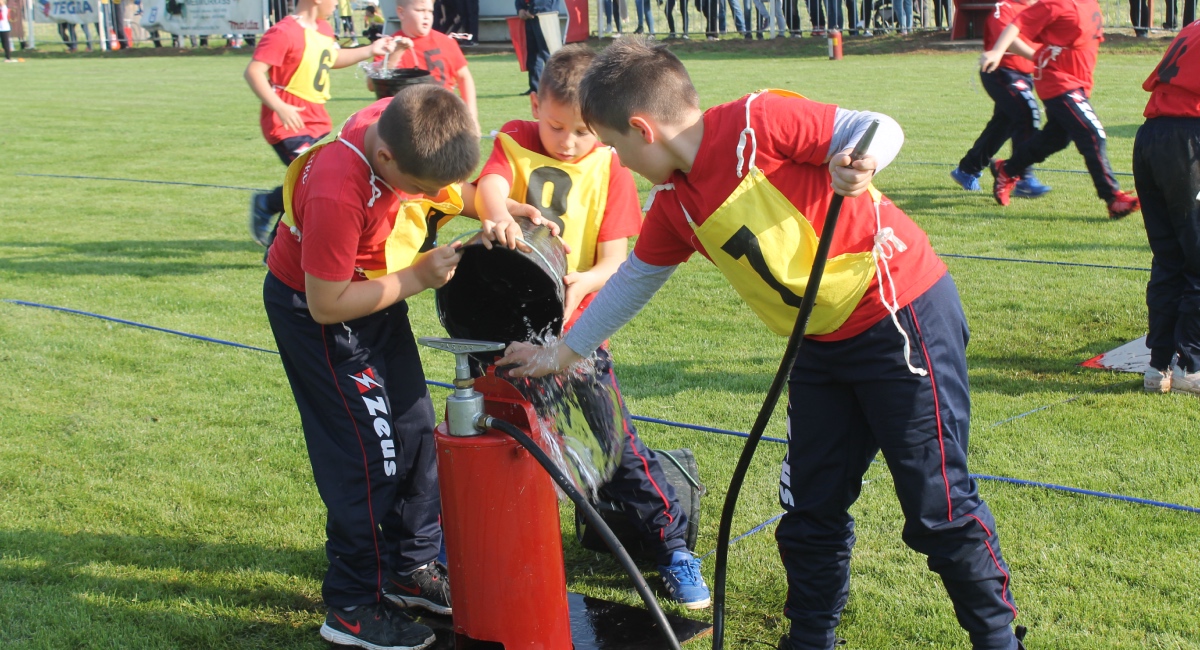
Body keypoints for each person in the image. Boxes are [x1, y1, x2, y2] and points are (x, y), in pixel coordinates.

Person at [498, 38, 1027, 650]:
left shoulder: (757, 120)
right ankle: (808, 641)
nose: (617, 160)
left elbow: (875, 126)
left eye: (614, 146)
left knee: (938, 508)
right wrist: (559, 353)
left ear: (642, 129)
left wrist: (861, 160)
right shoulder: (674, 204)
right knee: (809, 510)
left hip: (901, 316)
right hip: (821, 347)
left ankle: (998, 641)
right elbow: (634, 280)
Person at [263, 84, 550, 650]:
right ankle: (351, 606)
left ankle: (410, 569)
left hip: (375, 292)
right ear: (387, 159)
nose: (427, 198)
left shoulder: (407, 124)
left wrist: (498, 208)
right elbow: (325, 303)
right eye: (417, 190)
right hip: (324, 315)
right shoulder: (337, 191)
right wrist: (417, 278)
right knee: (370, 458)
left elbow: (447, 188)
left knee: (416, 430)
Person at [473, 44, 713, 610]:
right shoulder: (512, 140)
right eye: (557, 127)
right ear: (536, 106)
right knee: (495, 445)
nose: (570, 142)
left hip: (577, 336)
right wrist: (499, 213)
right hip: (501, 334)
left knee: (614, 449)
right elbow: (488, 189)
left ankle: (673, 548)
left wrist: (582, 281)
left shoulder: (612, 166)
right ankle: (487, 550)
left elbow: (615, 260)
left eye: (584, 132)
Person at [245, 0, 397, 249]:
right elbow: (254, 71)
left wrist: (372, 48)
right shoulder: (283, 32)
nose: (338, 3)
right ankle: (275, 234)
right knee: (310, 182)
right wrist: (280, 106)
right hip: (288, 124)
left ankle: (269, 209)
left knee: (312, 182)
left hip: (317, 121)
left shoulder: (324, 29)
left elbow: (333, 57)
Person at [981, 0, 1140, 219]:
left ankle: (1007, 169)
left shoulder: (1088, 3)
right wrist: (997, 51)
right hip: (1058, 80)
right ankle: (1113, 198)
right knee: (1092, 133)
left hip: (1079, 80)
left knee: (1056, 138)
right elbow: (1017, 23)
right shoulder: (1056, 3)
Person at [1133, 21, 1200, 396]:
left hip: (1153, 135)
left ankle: (1159, 365)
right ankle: (1192, 365)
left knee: (1168, 258)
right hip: (1188, 139)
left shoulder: (1192, 27)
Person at [951, 0, 1051, 198]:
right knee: (1026, 112)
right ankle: (1023, 177)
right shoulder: (1005, 6)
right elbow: (1007, 40)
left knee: (1003, 125)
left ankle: (968, 169)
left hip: (1024, 75)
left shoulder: (1042, 8)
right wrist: (1039, 57)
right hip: (1001, 71)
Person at [371, 0, 477, 126]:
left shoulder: (446, 42)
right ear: (401, 13)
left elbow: (464, 78)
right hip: (406, 124)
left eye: (430, 11)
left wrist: (471, 117)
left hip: (445, 121)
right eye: (420, 10)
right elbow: (373, 85)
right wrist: (396, 54)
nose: (426, 16)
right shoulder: (389, 46)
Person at [515, 0, 562, 94]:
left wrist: (533, 10)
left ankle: (557, 87)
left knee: (548, 52)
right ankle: (535, 88)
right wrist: (520, 8)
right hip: (530, 16)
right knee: (532, 54)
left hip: (545, 15)